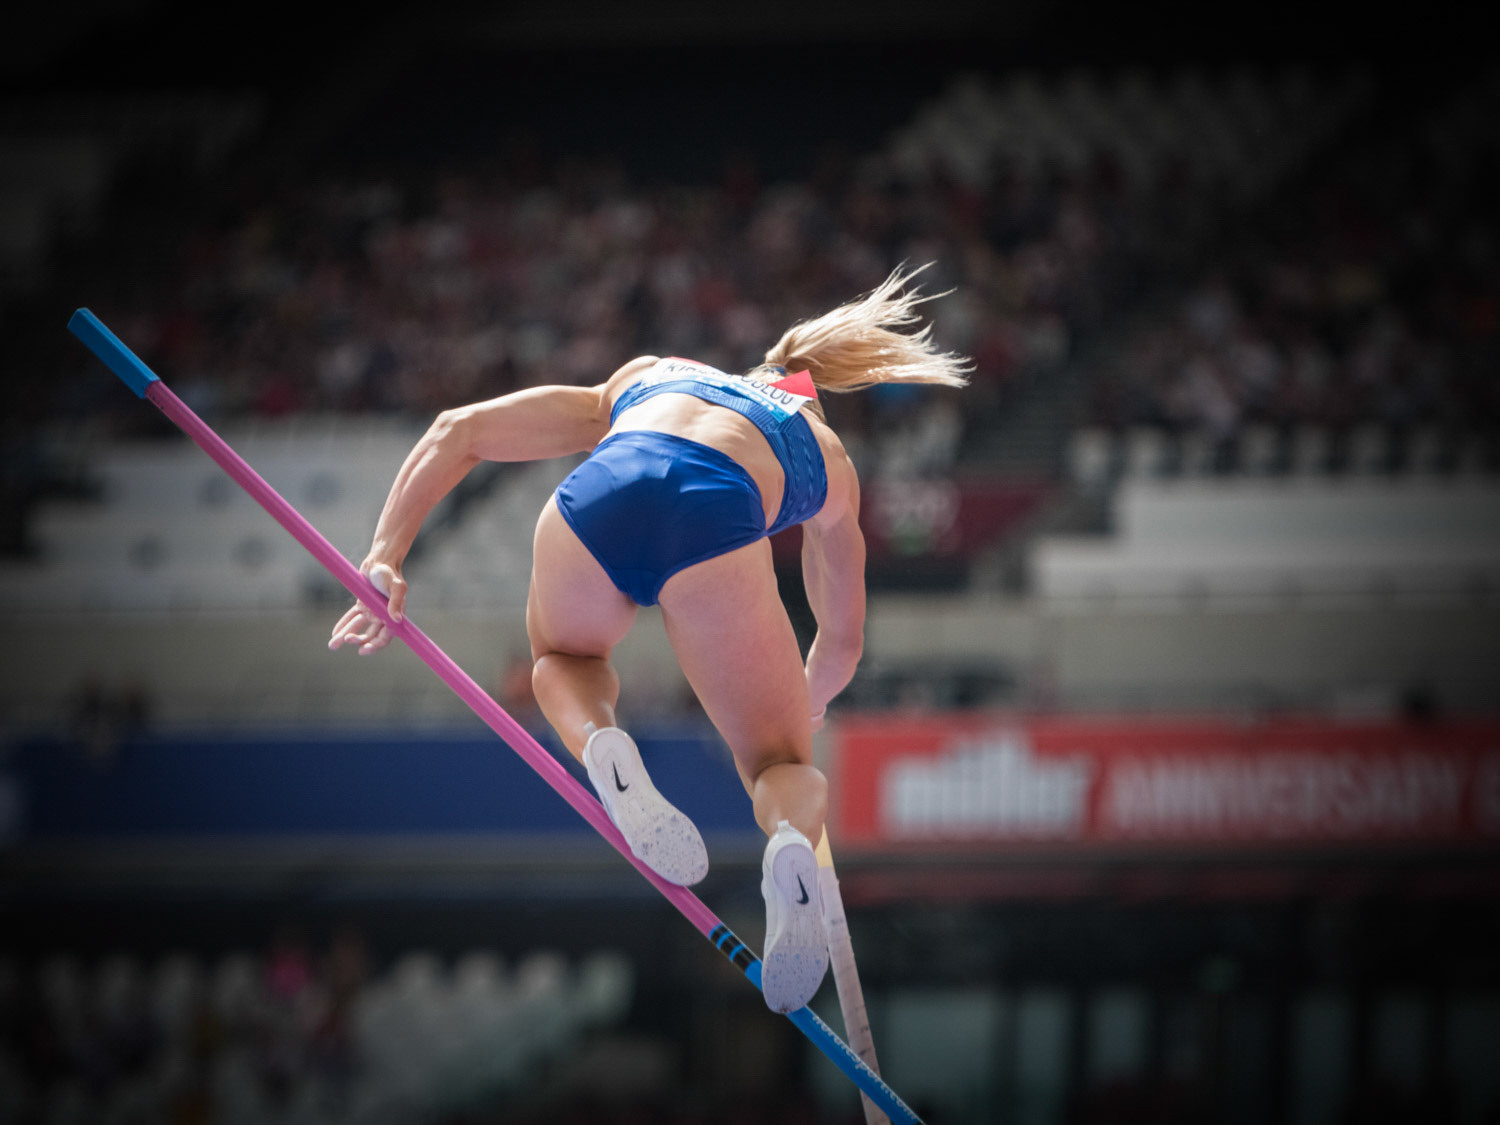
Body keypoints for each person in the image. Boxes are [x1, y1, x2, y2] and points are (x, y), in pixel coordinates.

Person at [329, 265, 969, 1012]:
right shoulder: (828, 456)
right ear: (811, 396)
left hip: (602, 492)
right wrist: (807, 702)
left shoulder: (654, 372)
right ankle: (789, 846)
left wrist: (384, 555)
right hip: (715, 515)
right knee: (777, 764)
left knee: (562, 659)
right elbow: (842, 640)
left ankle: (602, 740)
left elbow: (457, 430)